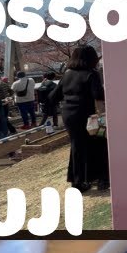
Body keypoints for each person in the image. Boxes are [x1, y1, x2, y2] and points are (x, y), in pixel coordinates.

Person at [48, 45, 109, 192]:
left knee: (77, 146)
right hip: (87, 115)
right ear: (92, 59)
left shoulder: (67, 73)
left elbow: (53, 96)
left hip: (68, 115)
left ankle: (78, 181)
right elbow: (98, 95)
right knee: (100, 143)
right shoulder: (91, 74)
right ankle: (102, 179)